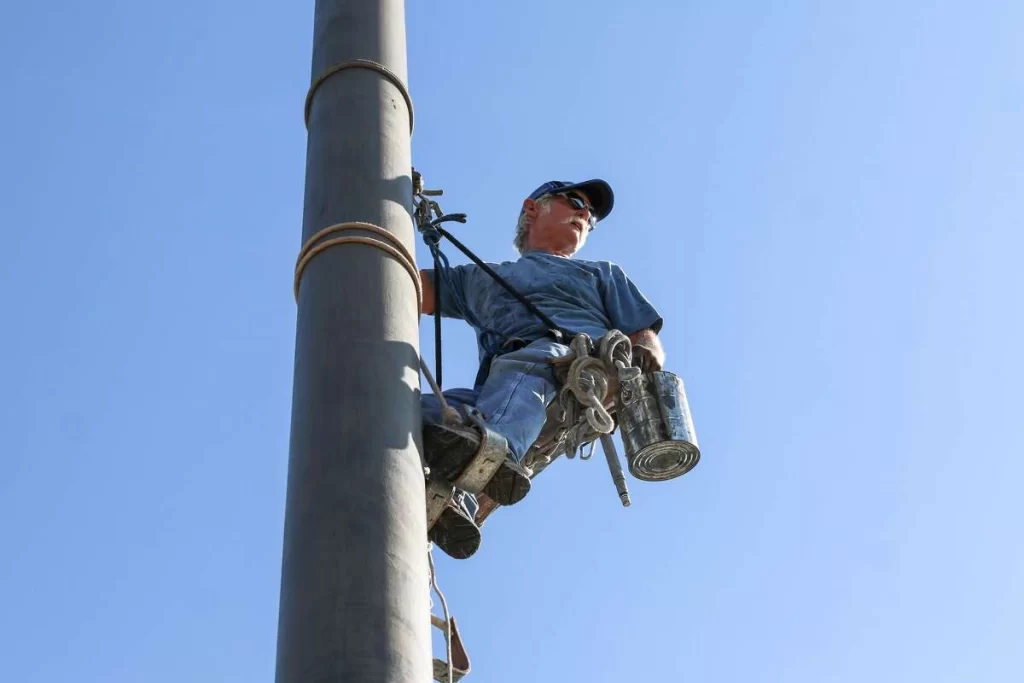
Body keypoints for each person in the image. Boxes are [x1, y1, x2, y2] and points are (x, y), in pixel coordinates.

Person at [420, 179, 665, 559]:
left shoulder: (600, 273)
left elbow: (643, 333)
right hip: (500, 393)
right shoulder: (481, 279)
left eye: (592, 216)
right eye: (575, 202)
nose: (586, 215)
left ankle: (493, 450)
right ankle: (453, 502)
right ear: (533, 208)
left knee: (531, 363)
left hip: (577, 369)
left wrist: (647, 353)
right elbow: (415, 286)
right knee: (417, 411)